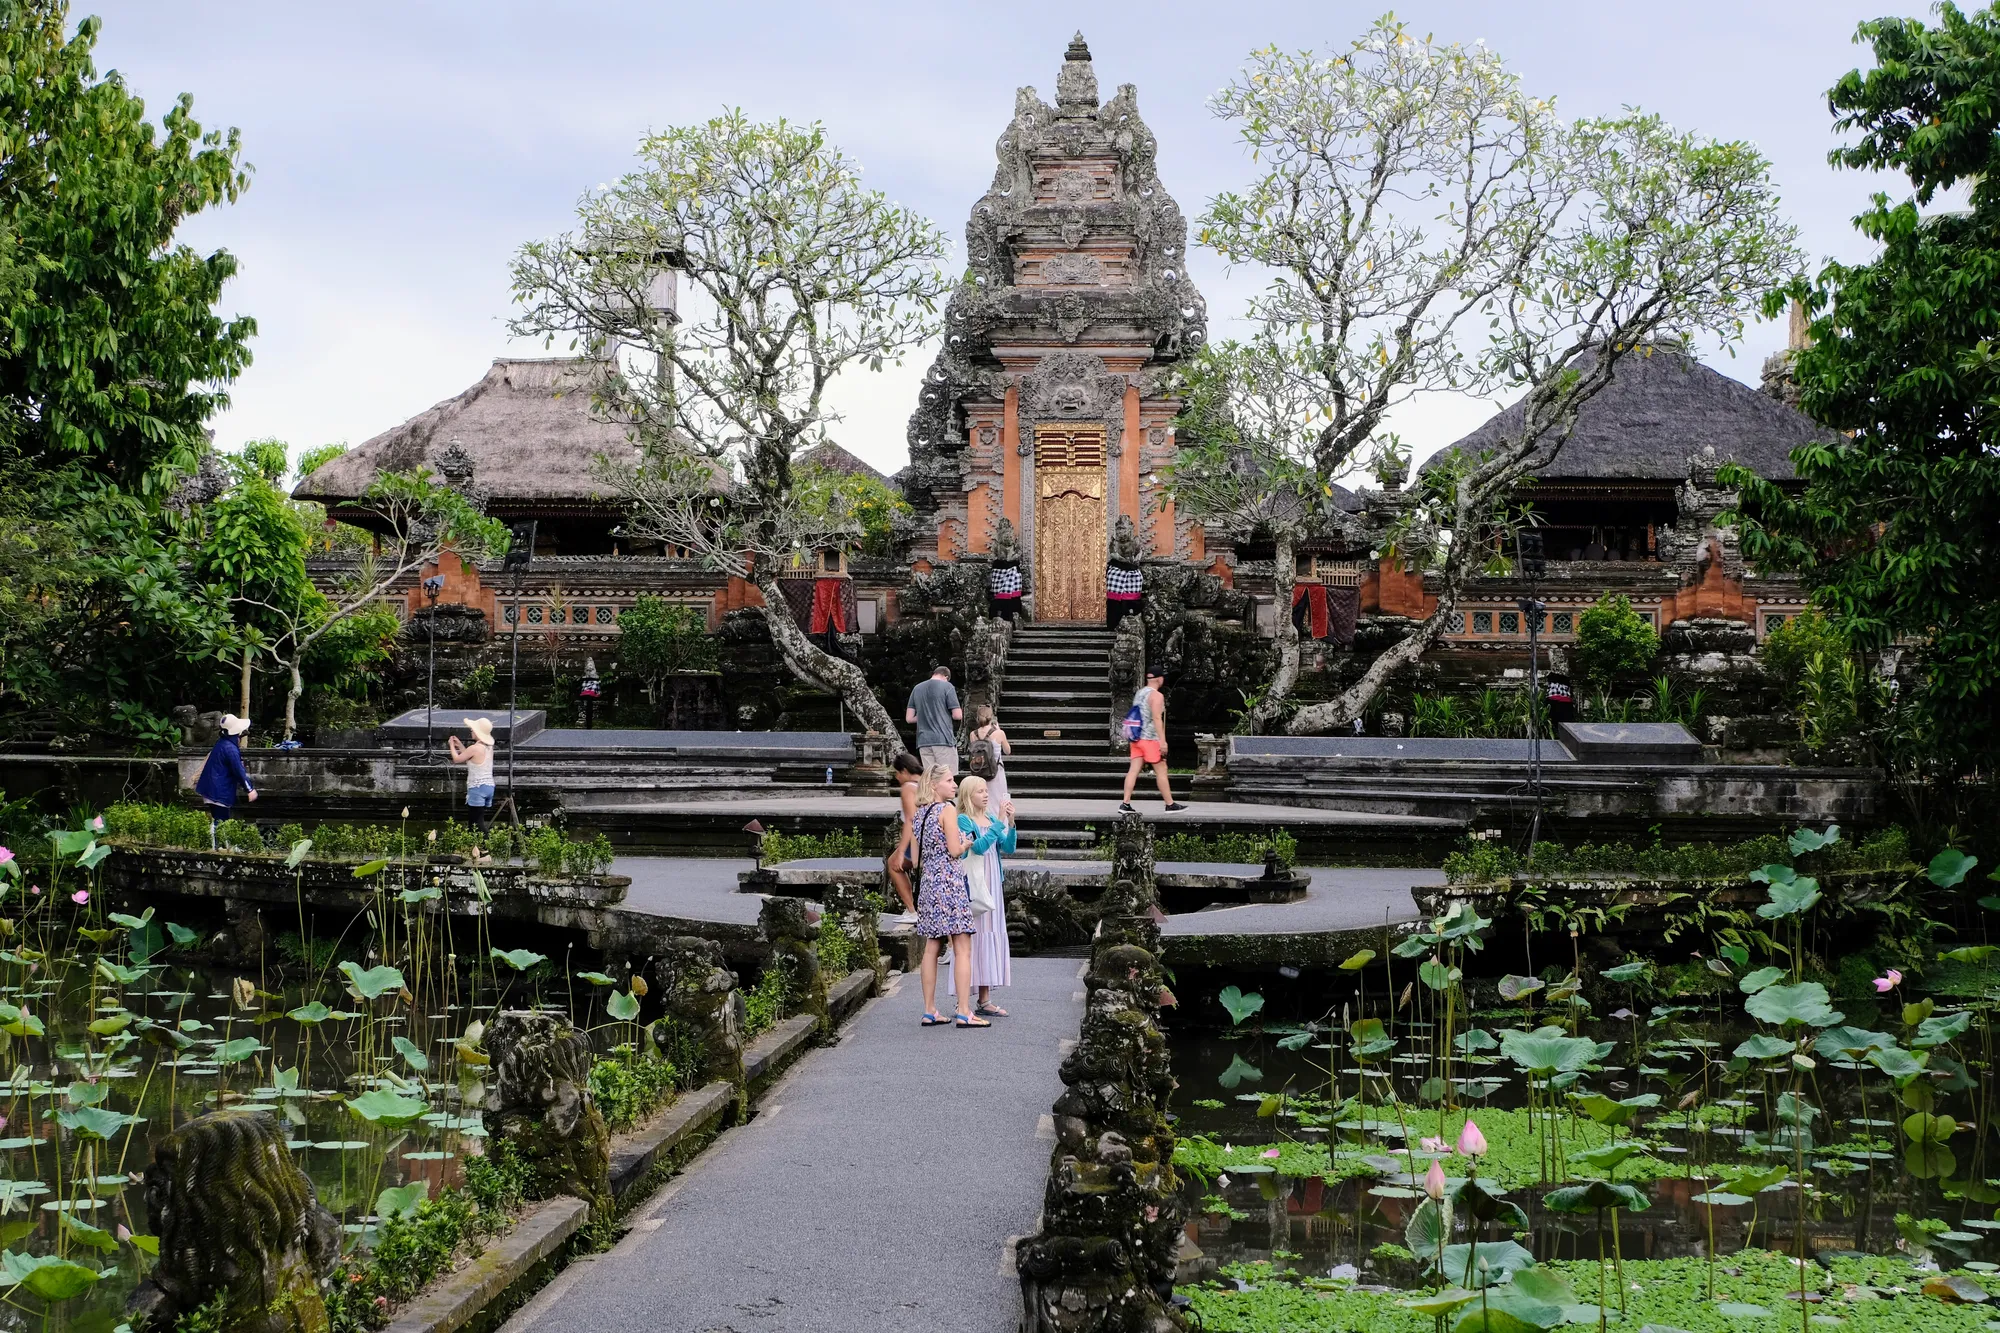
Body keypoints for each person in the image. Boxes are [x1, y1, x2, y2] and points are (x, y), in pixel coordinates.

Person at [913, 767, 985, 1028]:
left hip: (929, 883)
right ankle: (965, 1011)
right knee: (963, 946)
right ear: (934, 785)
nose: (954, 785)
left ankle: (930, 1009)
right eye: (948, 780)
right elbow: (954, 850)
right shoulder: (947, 810)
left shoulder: (919, 814)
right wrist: (966, 843)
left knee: (932, 945)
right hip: (950, 881)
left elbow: (919, 854)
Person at [955, 775, 1016, 1016]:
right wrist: (999, 821)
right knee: (974, 939)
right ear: (968, 796)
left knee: (991, 934)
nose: (985, 794)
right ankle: (964, 999)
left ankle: (985, 996)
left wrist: (1010, 822)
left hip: (993, 882)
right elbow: (978, 847)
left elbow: (1008, 847)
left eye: (985, 790)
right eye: (980, 791)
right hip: (976, 883)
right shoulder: (963, 820)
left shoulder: (991, 818)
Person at [1120, 667, 1187, 813]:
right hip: (1150, 739)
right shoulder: (1157, 696)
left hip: (1136, 738)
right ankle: (1169, 804)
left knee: (1133, 770)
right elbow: (1157, 718)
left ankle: (1125, 803)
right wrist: (1163, 741)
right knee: (1161, 770)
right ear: (1159, 679)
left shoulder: (1140, 693)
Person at [194, 714, 257, 846]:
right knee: (221, 820)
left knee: (219, 819)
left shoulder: (222, 743)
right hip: (219, 791)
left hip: (210, 788)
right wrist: (249, 789)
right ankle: (218, 847)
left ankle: (219, 846)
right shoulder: (230, 749)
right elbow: (238, 771)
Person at [446, 717, 496, 862]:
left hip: (477, 788)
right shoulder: (487, 746)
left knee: (477, 822)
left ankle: (485, 853)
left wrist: (451, 745)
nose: (471, 731)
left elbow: (457, 759)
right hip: (488, 786)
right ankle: (475, 849)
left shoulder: (475, 748)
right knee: (474, 820)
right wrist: (459, 744)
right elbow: (469, 756)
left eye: (473, 730)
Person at [883, 751, 923, 924]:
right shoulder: (926, 781)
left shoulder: (908, 787)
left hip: (919, 837)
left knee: (893, 864)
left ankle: (911, 909)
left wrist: (901, 850)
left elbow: (911, 820)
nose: (897, 778)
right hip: (936, 834)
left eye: (897, 773)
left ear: (905, 771)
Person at [905, 665, 962, 777]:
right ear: (946, 677)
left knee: (931, 778)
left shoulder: (917, 688)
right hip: (943, 739)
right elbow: (957, 715)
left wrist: (924, 714)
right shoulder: (947, 686)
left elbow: (909, 718)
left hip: (924, 741)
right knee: (947, 777)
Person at [966, 705, 1012, 807]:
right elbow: (1007, 751)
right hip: (996, 771)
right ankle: (1000, 820)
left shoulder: (973, 734)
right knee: (999, 798)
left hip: (980, 770)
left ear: (978, 718)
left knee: (983, 798)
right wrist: (999, 730)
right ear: (991, 717)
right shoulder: (999, 733)